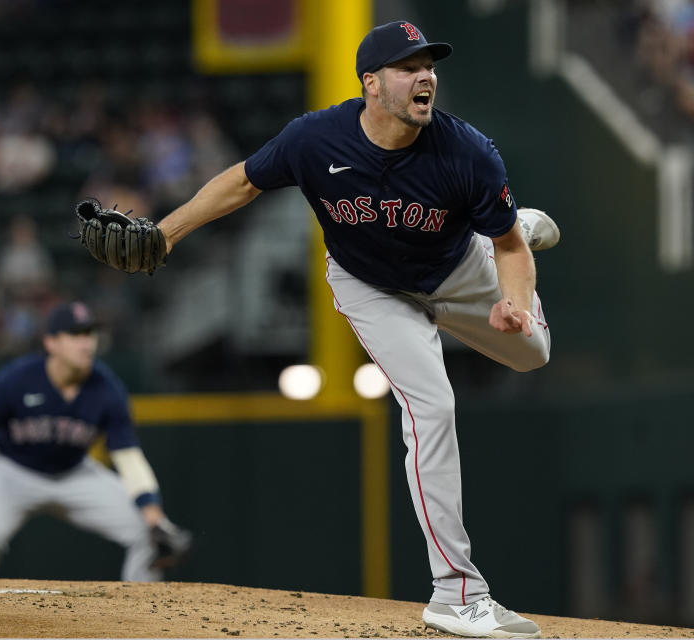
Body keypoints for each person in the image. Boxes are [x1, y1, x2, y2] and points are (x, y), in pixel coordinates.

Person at [153, 20, 556, 638]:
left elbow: (505, 250)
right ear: (371, 83)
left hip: (460, 267)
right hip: (372, 285)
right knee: (432, 407)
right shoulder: (316, 139)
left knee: (533, 354)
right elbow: (239, 182)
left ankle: (522, 220)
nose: (425, 76)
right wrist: (163, 234)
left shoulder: (467, 150)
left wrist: (516, 302)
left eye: (429, 66)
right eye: (407, 66)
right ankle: (457, 593)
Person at [0, 301, 181, 581]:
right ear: (51, 343)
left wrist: (154, 515)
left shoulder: (108, 390)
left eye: (90, 334)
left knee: (149, 534)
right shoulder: (19, 378)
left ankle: (144, 618)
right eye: (75, 335)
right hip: (12, 472)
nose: (86, 343)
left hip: (74, 474)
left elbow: (128, 457)